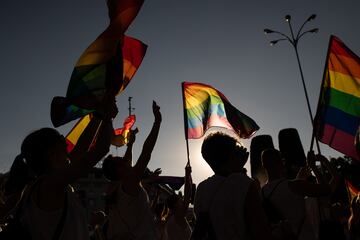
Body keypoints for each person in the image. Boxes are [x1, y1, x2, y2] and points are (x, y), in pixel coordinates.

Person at [2, 96, 117, 240]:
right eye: (62, 140)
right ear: (51, 154)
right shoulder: (50, 185)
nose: (66, 143)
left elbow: (81, 148)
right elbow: (100, 149)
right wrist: (107, 118)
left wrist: (99, 115)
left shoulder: (41, 186)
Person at [193, 132, 273, 240]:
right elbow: (261, 232)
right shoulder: (245, 184)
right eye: (236, 148)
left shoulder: (202, 188)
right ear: (231, 154)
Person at [102, 101, 162, 240]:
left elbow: (127, 159)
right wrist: (157, 122)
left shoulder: (120, 189)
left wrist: (131, 144)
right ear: (119, 171)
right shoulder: (128, 184)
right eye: (121, 162)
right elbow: (146, 152)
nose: (125, 161)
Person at [261, 149, 337, 240]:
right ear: (279, 162)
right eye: (282, 160)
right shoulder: (294, 185)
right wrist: (313, 166)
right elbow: (326, 190)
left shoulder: (260, 193)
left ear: (264, 165)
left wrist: (299, 179)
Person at [166, 164, 193, 240]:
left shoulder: (173, 219)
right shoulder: (179, 217)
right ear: (175, 205)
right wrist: (187, 175)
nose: (182, 200)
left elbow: (188, 195)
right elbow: (188, 194)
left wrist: (188, 176)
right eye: (180, 200)